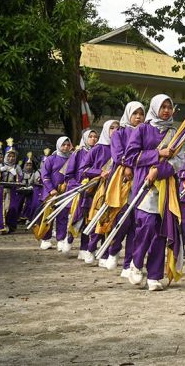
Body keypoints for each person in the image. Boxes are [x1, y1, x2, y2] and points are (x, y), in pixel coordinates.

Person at [124, 94, 185, 291]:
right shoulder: (143, 129)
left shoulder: (176, 133)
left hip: (166, 187)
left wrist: (159, 170)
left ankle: (154, 275)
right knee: (147, 226)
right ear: (155, 108)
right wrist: (157, 154)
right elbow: (131, 156)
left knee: (161, 230)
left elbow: (179, 162)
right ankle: (135, 262)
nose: (166, 110)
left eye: (169, 106)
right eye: (163, 106)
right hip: (145, 185)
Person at [98, 101, 145, 272]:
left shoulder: (146, 132)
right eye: (135, 113)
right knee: (121, 218)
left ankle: (128, 265)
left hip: (140, 179)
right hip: (121, 180)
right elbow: (118, 156)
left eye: (141, 113)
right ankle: (113, 250)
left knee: (135, 222)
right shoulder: (119, 133)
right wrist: (132, 163)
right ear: (128, 115)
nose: (138, 117)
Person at [76, 120, 118, 264]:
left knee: (111, 221)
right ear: (106, 130)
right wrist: (100, 172)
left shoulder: (121, 148)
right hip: (96, 191)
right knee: (96, 220)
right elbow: (83, 170)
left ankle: (105, 254)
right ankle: (90, 249)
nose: (115, 131)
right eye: (112, 128)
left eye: (118, 128)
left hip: (115, 189)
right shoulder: (97, 149)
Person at [63, 129, 98, 255]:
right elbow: (69, 174)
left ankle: (84, 248)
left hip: (92, 190)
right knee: (76, 218)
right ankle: (69, 238)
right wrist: (76, 186)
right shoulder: (77, 153)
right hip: (78, 189)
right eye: (91, 136)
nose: (93, 139)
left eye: (95, 136)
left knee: (88, 219)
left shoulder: (98, 151)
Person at [39, 136, 72, 250]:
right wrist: (51, 189)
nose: (66, 147)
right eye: (63, 145)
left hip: (65, 192)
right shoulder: (51, 159)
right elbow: (44, 176)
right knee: (48, 216)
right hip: (51, 192)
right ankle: (46, 239)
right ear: (59, 145)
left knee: (63, 216)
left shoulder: (72, 158)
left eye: (68, 145)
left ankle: (61, 239)